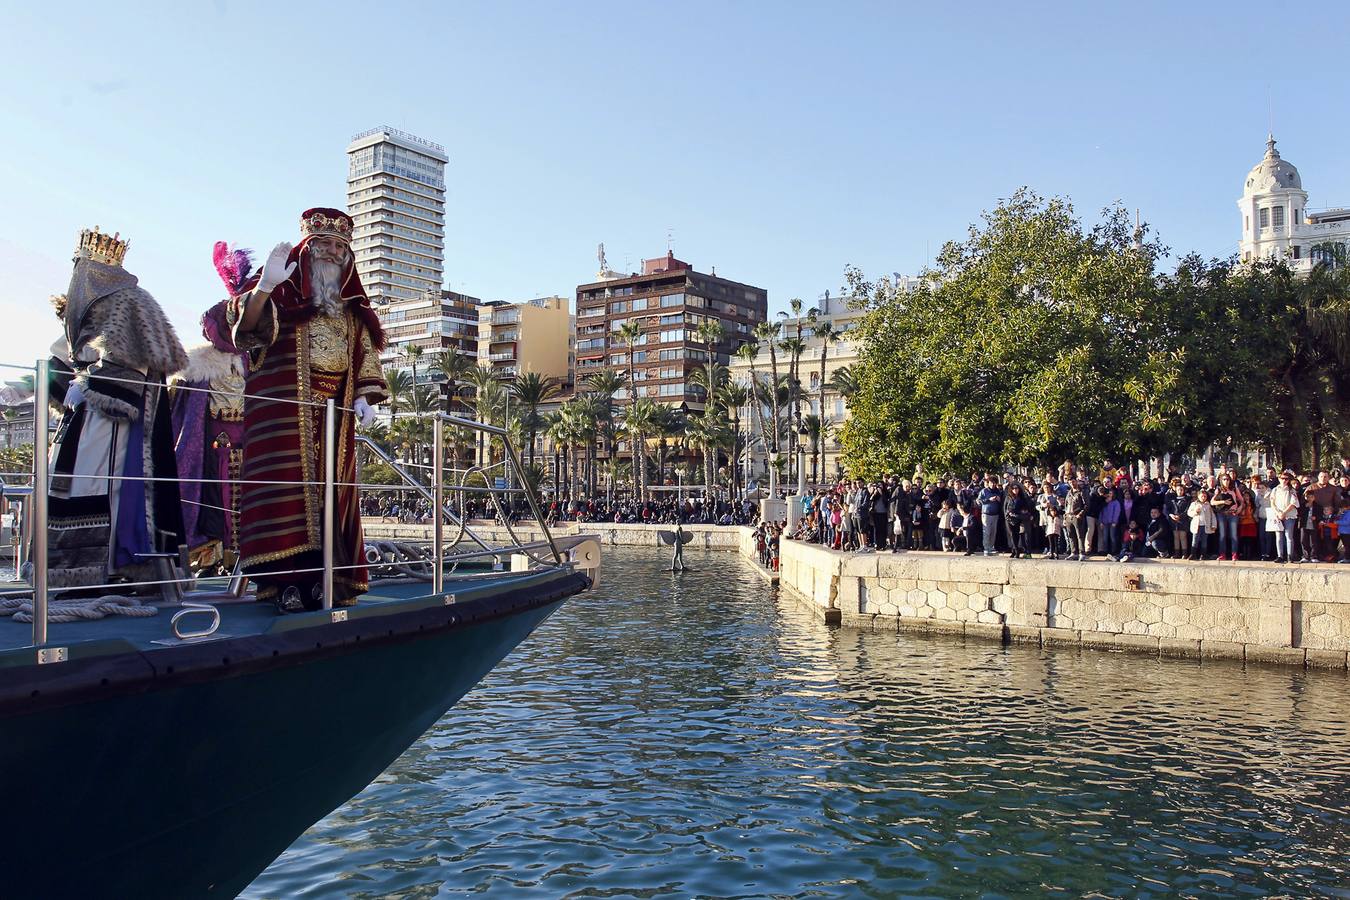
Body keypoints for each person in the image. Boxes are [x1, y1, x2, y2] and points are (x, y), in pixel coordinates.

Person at [228, 208, 388, 612]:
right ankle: (286, 584)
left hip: (335, 412)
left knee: (330, 497)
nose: (333, 253)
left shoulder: (351, 307)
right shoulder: (281, 294)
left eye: (340, 247)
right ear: (307, 248)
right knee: (287, 495)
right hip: (288, 408)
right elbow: (246, 332)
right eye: (325, 245)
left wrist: (363, 396)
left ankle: (327, 579)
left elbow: (364, 351)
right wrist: (264, 287)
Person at [43, 227, 188, 592]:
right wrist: (30, 385)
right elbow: (64, 357)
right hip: (84, 418)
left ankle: (110, 567)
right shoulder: (84, 312)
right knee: (71, 486)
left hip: (115, 421)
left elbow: (132, 360)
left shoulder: (129, 301)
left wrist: (89, 383)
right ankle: (72, 571)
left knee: (104, 487)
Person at [170, 297, 250, 573]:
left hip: (250, 443)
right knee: (216, 497)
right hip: (214, 445)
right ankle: (215, 555)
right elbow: (180, 409)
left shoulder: (255, 362)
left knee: (248, 498)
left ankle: (247, 554)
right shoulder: (198, 364)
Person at [1268, 471, 1299, 563]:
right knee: (1279, 536)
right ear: (1279, 479)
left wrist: (1284, 513)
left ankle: (1290, 555)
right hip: (1277, 516)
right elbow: (1272, 502)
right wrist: (1278, 513)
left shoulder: (1291, 490)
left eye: (1286, 479)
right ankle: (1280, 555)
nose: (1284, 480)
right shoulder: (1275, 490)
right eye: (1282, 478)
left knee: (1289, 536)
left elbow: (1293, 503)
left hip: (1289, 515)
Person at [1188, 490, 1217, 561]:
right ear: (1198, 496)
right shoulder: (1194, 504)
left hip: (1205, 525)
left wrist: (1214, 525)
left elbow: (1212, 516)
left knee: (1204, 541)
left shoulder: (1208, 505)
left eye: (1205, 496)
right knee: (1195, 540)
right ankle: (1193, 553)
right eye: (1202, 496)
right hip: (1197, 525)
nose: (1203, 498)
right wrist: (1195, 512)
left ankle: (1203, 554)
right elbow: (1189, 513)